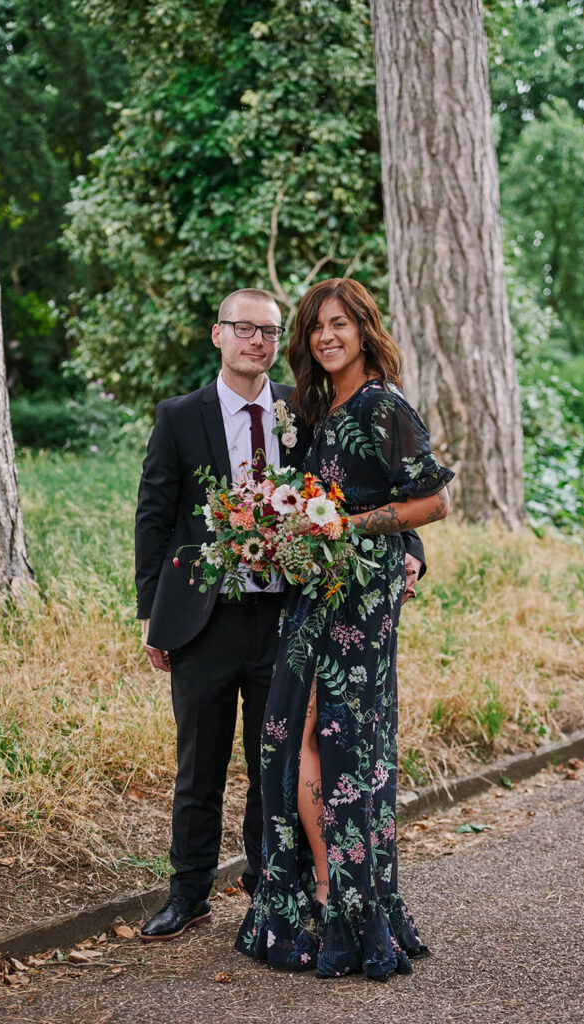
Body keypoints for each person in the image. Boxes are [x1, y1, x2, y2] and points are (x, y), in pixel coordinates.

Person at [134, 288, 428, 942]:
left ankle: (272, 890)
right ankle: (188, 894)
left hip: (290, 617)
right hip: (204, 619)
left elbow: (364, 489)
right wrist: (150, 613)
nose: (255, 341)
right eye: (243, 328)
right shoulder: (180, 417)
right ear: (218, 335)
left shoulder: (307, 408)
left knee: (278, 766)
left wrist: (408, 547)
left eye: (267, 331)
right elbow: (153, 515)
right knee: (198, 764)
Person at [235, 278, 453, 980]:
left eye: (340, 324)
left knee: (342, 739)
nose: (327, 336)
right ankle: (329, 886)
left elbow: (432, 501)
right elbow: (301, 498)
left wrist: (347, 527)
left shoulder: (383, 406)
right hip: (314, 589)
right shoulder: (313, 408)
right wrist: (271, 528)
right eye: (316, 327)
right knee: (290, 736)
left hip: (360, 596)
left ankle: (346, 896)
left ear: (363, 329)